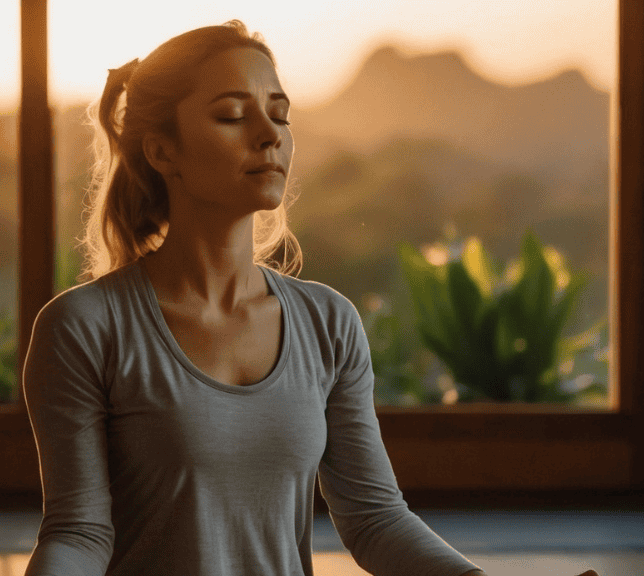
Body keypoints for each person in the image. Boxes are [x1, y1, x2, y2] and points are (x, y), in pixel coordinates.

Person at [20, 20, 598, 576]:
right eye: (231, 115)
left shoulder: (328, 322)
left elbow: (375, 519)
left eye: (280, 114)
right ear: (163, 151)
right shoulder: (83, 327)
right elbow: (79, 533)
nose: (269, 134)